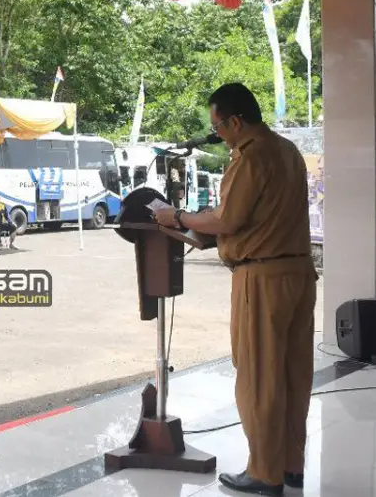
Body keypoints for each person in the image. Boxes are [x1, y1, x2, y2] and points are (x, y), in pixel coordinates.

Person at [153, 83, 315, 496]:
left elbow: (228, 219)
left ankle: (264, 472)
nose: (217, 134)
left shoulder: (252, 155)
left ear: (236, 121)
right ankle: (291, 465)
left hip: (261, 279)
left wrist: (179, 216)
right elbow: (257, 217)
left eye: (218, 126)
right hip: (297, 274)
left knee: (260, 376)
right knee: (294, 376)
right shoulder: (288, 151)